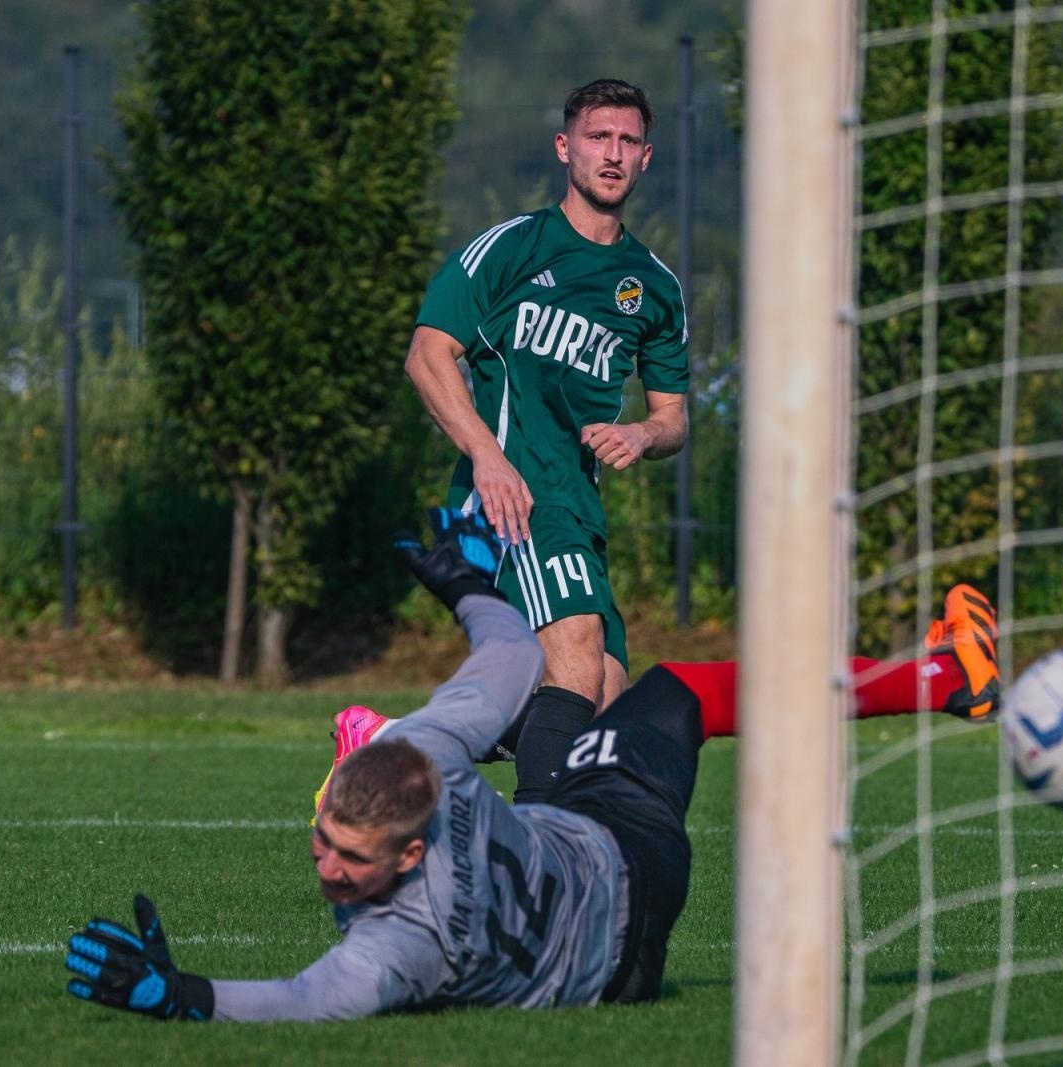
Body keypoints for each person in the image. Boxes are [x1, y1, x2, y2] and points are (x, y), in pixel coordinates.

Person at [63, 509, 1001, 1023]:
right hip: (607, 863)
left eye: (349, 856)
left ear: (408, 853)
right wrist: (469, 588)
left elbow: (308, 996)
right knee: (673, 693)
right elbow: (506, 654)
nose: (326, 868)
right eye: (324, 841)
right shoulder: (430, 764)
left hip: (615, 905)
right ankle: (939, 671)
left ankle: (950, 674)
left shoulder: (399, 945)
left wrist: (182, 995)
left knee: (598, 702)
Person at [404, 77, 690, 804]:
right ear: (566, 148)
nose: (612, 154)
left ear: (646, 158)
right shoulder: (512, 248)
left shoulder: (652, 287)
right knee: (579, 664)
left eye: (627, 141)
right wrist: (488, 458)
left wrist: (642, 432)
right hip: (513, 501)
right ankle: (531, 868)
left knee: (603, 706)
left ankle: (397, 745)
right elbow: (428, 355)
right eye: (598, 137)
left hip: (576, 509)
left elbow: (674, 418)